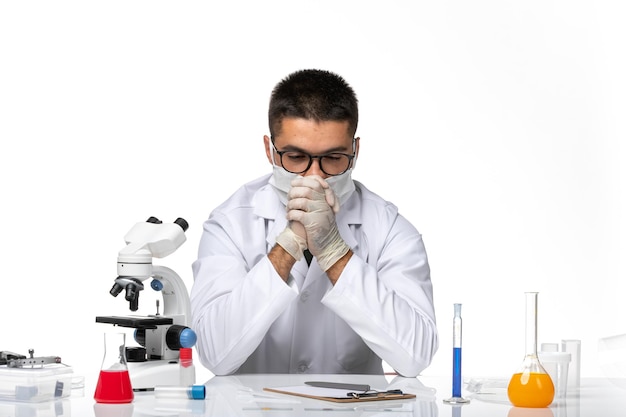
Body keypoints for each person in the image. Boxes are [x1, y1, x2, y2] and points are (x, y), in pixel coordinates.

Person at [190, 69, 438, 377]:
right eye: (296, 157)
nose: (314, 177)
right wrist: (289, 243)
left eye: (334, 158)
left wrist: (334, 251)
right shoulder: (231, 224)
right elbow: (215, 355)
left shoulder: (389, 229)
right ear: (270, 150)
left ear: (355, 150)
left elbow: (415, 356)